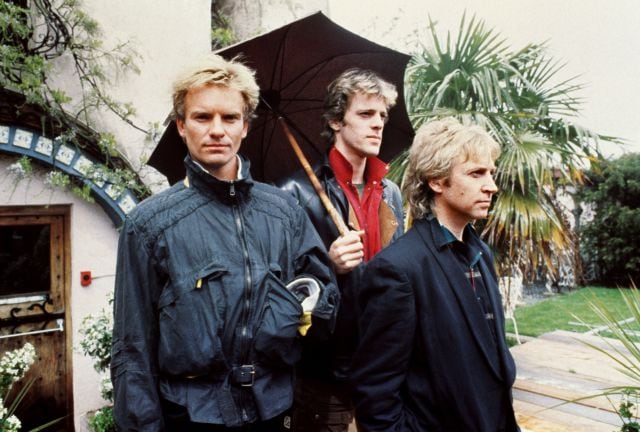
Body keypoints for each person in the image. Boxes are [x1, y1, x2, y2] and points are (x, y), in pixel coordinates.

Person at [110, 54, 339, 431]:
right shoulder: (149, 225)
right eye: (202, 117)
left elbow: (322, 310)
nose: (217, 129)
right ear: (181, 126)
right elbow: (132, 347)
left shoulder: (284, 212)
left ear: (246, 126)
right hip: (192, 416)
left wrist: (318, 297)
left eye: (230, 117)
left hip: (273, 408)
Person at [350, 117, 520, 431]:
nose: (491, 186)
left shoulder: (481, 255)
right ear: (437, 181)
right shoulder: (397, 270)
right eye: (476, 173)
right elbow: (376, 398)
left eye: (491, 174)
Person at [278, 68, 404, 431]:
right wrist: (329, 266)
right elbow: (279, 288)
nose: (377, 124)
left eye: (382, 115)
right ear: (335, 120)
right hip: (325, 371)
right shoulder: (294, 193)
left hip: (384, 365)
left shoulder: (390, 193)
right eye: (365, 114)